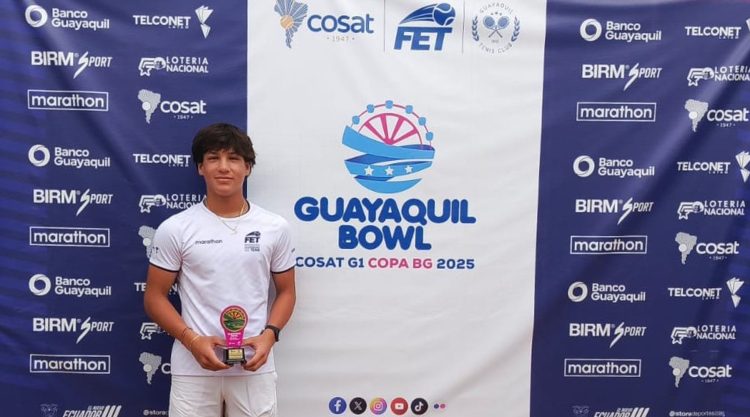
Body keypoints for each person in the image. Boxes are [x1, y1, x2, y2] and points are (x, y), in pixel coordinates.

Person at [144, 122, 296, 417]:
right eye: (213, 158)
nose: (224, 167)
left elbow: (287, 292)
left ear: (247, 168)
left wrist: (269, 335)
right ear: (200, 167)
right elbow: (154, 297)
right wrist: (192, 341)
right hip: (193, 368)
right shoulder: (175, 228)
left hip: (254, 365)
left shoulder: (275, 227)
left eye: (233, 158)